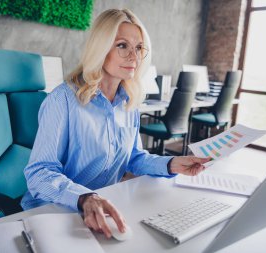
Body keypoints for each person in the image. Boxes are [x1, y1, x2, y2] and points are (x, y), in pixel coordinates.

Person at [21, 8, 209, 239]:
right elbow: (39, 173)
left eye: (139, 48)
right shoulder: (63, 99)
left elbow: (133, 157)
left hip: (103, 208)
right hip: (54, 211)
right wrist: (85, 198)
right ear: (101, 49)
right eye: (122, 45)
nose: (134, 57)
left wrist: (171, 164)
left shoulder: (128, 102)